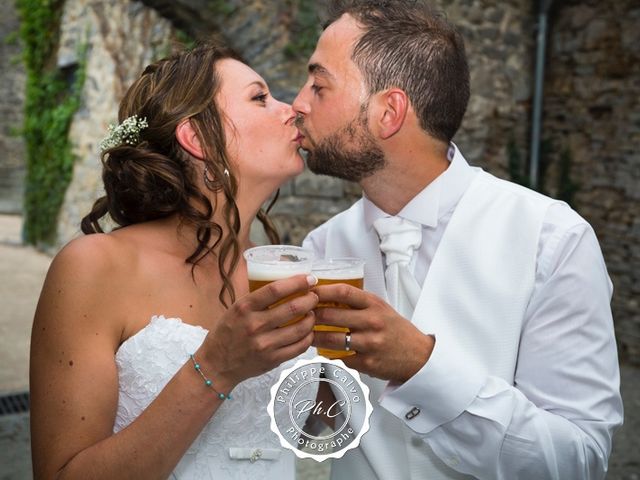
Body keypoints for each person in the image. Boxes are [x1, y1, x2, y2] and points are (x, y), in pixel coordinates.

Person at [293, 1, 623, 478]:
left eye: (319, 85)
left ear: (389, 112)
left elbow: (579, 460)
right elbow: (312, 429)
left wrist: (423, 369)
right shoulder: (322, 247)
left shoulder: (552, 240)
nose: (298, 103)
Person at [29, 42, 320, 479]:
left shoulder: (275, 274)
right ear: (197, 138)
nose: (291, 109)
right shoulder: (95, 267)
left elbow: (299, 435)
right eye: (260, 97)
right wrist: (216, 370)